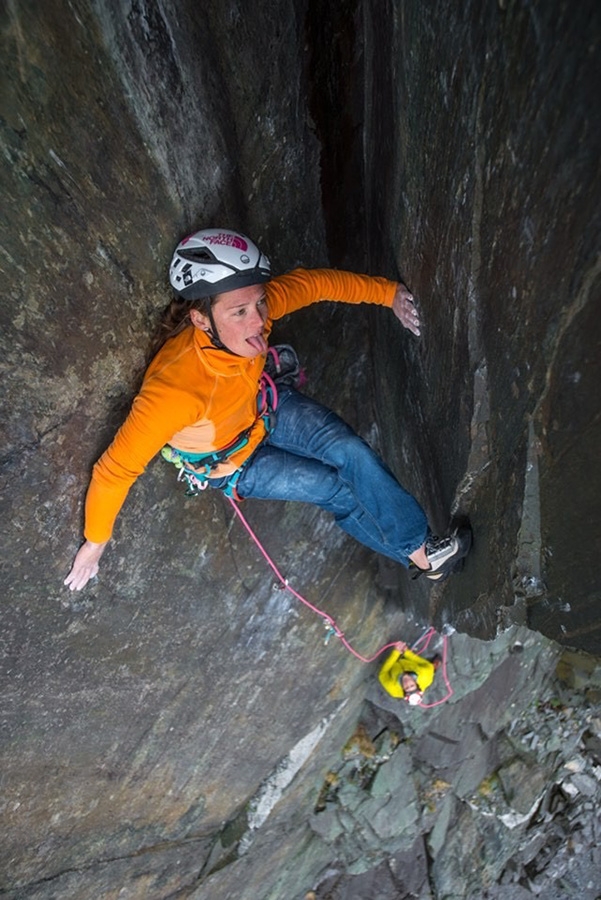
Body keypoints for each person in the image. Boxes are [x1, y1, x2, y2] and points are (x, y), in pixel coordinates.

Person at [64, 228, 471, 592]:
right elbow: (115, 470)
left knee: (349, 451)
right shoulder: (174, 391)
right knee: (336, 490)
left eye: (258, 304)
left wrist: (387, 295)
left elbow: (313, 284)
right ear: (200, 319)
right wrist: (94, 544)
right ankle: (422, 560)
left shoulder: (251, 313)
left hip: (265, 408)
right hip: (234, 462)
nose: (257, 321)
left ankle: (424, 552)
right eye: (238, 313)